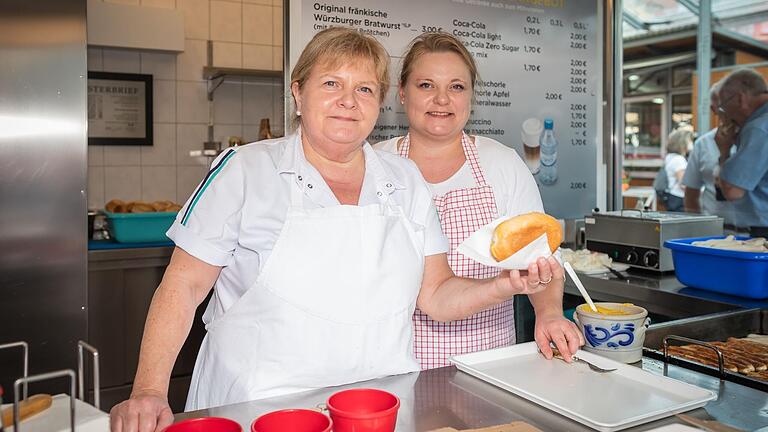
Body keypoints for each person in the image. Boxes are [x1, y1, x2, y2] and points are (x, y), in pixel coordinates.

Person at [109, 27, 577, 432]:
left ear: (379, 102)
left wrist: (502, 285)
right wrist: (149, 388)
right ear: (298, 92)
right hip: (258, 405)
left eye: (365, 89)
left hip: (376, 408)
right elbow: (184, 285)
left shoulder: (404, 180)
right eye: (332, 83)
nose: (348, 102)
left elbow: (435, 296)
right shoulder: (245, 170)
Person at [375, 32, 582, 370]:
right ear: (402, 92)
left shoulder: (501, 164)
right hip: (391, 364)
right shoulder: (375, 165)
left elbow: (542, 261)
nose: (442, 99)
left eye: (456, 87)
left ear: (471, 96)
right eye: (426, 85)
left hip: (488, 361)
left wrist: (549, 314)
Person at [714, 68, 768, 230]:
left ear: (740, 99)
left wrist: (724, 151)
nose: (723, 115)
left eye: (723, 106)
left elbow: (732, 191)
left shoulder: (758, 128)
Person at [683, 84, 740, 227]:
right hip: (715, 231)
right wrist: (696, 230)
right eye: (723, 107)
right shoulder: (703, 144)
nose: (730, 113)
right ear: (713, 109)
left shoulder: (758, 139)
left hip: (757, 233)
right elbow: (691, 193)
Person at [657, 129, 693, 212]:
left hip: (673, 197)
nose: (691, 143)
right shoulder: (679, 160)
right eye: (689, 141)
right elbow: (683, 184)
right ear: (682, 143)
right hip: (679, 199)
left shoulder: (670, 157)